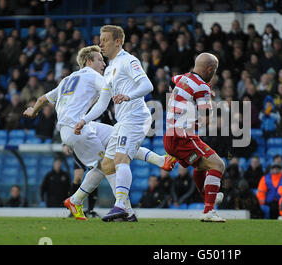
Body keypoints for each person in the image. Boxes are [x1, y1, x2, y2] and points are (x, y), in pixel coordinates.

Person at [24, 44, 175, 221]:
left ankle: (160, 160)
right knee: (106, 164)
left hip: (80, 126)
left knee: (119, 140)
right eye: (100, 60)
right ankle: (123, 210)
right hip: (77, 130)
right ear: (89, 61)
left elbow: (43, 99)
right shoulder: (93, 76)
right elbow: (112, 88)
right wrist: (133, 95)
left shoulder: (68, 79)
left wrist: (33, 111)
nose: (103, 64)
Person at [74, 26, 176, 222]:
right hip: (124, 120)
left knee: (121, 158)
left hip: (136, 117)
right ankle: (128, 213)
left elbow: (148, 85)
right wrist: (84, 119)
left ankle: (120, 205)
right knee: (107, 164)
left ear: (118, 42)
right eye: (100, 39)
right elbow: (103, 102)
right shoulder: (110, 68)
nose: (101, 43)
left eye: (105, 40)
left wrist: (128, 95)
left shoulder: (129, 61)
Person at [162, 52, 227, 222]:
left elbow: (172, 81)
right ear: (210, 69)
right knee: (218, 165)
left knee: (201, 166)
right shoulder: (203, 87)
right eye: (215, 70)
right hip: (183, 137)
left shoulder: (182, 78)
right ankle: (209, 210)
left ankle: (207, 198)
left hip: (170, 136)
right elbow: (206, 118)